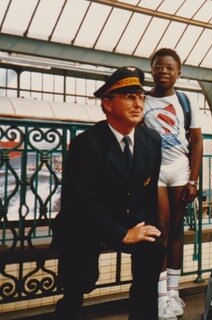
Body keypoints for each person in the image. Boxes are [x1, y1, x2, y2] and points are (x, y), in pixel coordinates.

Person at [52, 66, 165, 319]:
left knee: (153, 250)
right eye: (129, 97)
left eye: (141, 97)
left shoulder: (151, 140)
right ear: (107, 105)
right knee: (80, 279)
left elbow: (149, 192)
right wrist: (122, 234)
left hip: (127, 218)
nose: (138, 104)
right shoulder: (86, 144)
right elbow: (81, 203)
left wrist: (150, 229)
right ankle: (68, 308)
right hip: (85, 223)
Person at [144, 48, 203, 319]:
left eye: (169, 67)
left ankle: (174, 292)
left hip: (180, 170)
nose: (163, 71)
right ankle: (159, 298)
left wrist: (193, 179)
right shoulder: (143, 101)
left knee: (177, 229)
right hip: (154, 172)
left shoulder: (185, 101)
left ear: (178, 73)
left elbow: (197, 141)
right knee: (162, 228)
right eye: (158, 67)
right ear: (152, 69)